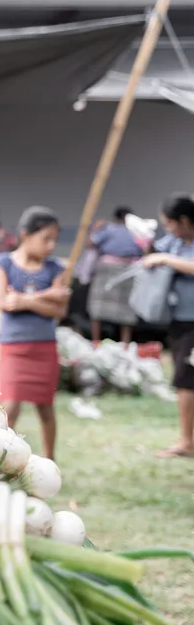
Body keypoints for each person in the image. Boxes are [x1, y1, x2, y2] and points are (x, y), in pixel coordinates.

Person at [0, 207, 69, 460]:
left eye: (54, 239)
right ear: (25, 235)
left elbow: (59, 310)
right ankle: (4, 459)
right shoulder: (2, 263)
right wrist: (46, 297)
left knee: (46, 407)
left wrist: (24, 300)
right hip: (14, 347)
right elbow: (4, 302)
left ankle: (50, 459)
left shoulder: (57, 268)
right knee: (9, 407)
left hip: (44, 347)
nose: (51, 245)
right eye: (46, 238)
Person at [140, 194, 194, 458]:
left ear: (184, 220)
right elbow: (153, 251)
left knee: (185, 381)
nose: (168, 229)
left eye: (170, 223)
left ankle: (186, 442)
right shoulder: (174, 241)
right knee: (184, 380)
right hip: (180, 320)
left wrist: (166, 260)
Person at [88, 206, 144, 344]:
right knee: (126, 307)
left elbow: (89, 243)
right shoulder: (137, 232)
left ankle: (96, 340)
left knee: (99, 308)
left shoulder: (108, 229)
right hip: (128, 270)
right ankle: (125, 341)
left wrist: (94, 229)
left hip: (111, 270)